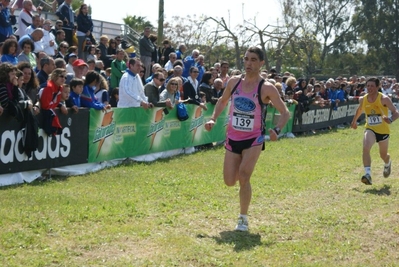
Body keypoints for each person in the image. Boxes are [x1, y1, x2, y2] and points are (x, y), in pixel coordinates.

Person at [204, 46, 290, 231]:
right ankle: (241, 173)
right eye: (246, 59)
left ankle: (243, 218)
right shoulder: (234, 82)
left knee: (244, 176)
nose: (248, 63)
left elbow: (285, 112)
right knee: (229, 181)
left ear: (261, 63)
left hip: (253, 138)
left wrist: (277, 129)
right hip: (233, 137)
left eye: (253, 60)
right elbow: (222, 101)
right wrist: (213, 118)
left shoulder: (266, 87)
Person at [350, 77, 399, 185]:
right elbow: (360, 109)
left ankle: (387, 162)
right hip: (370, 128)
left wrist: (390, 119)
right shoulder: (363, 99)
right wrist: (354, 122)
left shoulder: (384, 99)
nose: (369, 88)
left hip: (383, 130)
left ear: (378, 87)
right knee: (366, 147)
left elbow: (396, 112)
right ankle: (367, 174)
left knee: (383, 155)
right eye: (368, 86)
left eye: (372, 86)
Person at [39, 68, 68, 135]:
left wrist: (60, 105)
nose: (63, 79)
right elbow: (45, 106)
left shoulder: (59, 87)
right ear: (55, 76)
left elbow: (55, 103)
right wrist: (57, 105)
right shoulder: (48, 87)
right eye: (61, 76)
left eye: (65, 77)